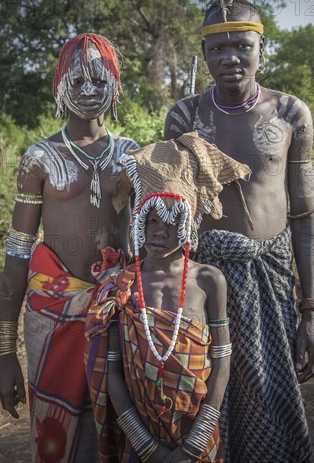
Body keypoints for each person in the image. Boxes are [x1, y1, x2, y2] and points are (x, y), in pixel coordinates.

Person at [164, 0, 314, 462]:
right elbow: (171, 207)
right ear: (205, 53)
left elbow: (304, 214)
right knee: (201, 387)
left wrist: (308, 311)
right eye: (219, 48)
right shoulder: (185, 116)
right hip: (203, 278)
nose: (231, 58)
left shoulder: (291, 113)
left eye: (243, 46)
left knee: (265, 389)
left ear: (261, 49)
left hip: (269, 277)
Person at [0, 33, 139, 462]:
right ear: (60, 86)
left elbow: (152, 240)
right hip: (52, 315)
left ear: (115, 83)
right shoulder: (40, 158)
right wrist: (4, 354)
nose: (89, 90)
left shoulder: (130, 157)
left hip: (115, 309)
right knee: (59, 434)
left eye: (100, 79)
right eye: (77, 82)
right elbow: (18, 255)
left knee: (121, 420)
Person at [84, 132, 251, 462]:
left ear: (190, 225)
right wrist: (149, 450)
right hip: (141, 439)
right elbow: (112, 373)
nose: (160, 231)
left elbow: (222, 362)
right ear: (138, 222)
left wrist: (195, 441)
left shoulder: (208, 280)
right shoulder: (121, 285)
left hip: (198, 436)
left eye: (174, 221)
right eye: (152, 219)